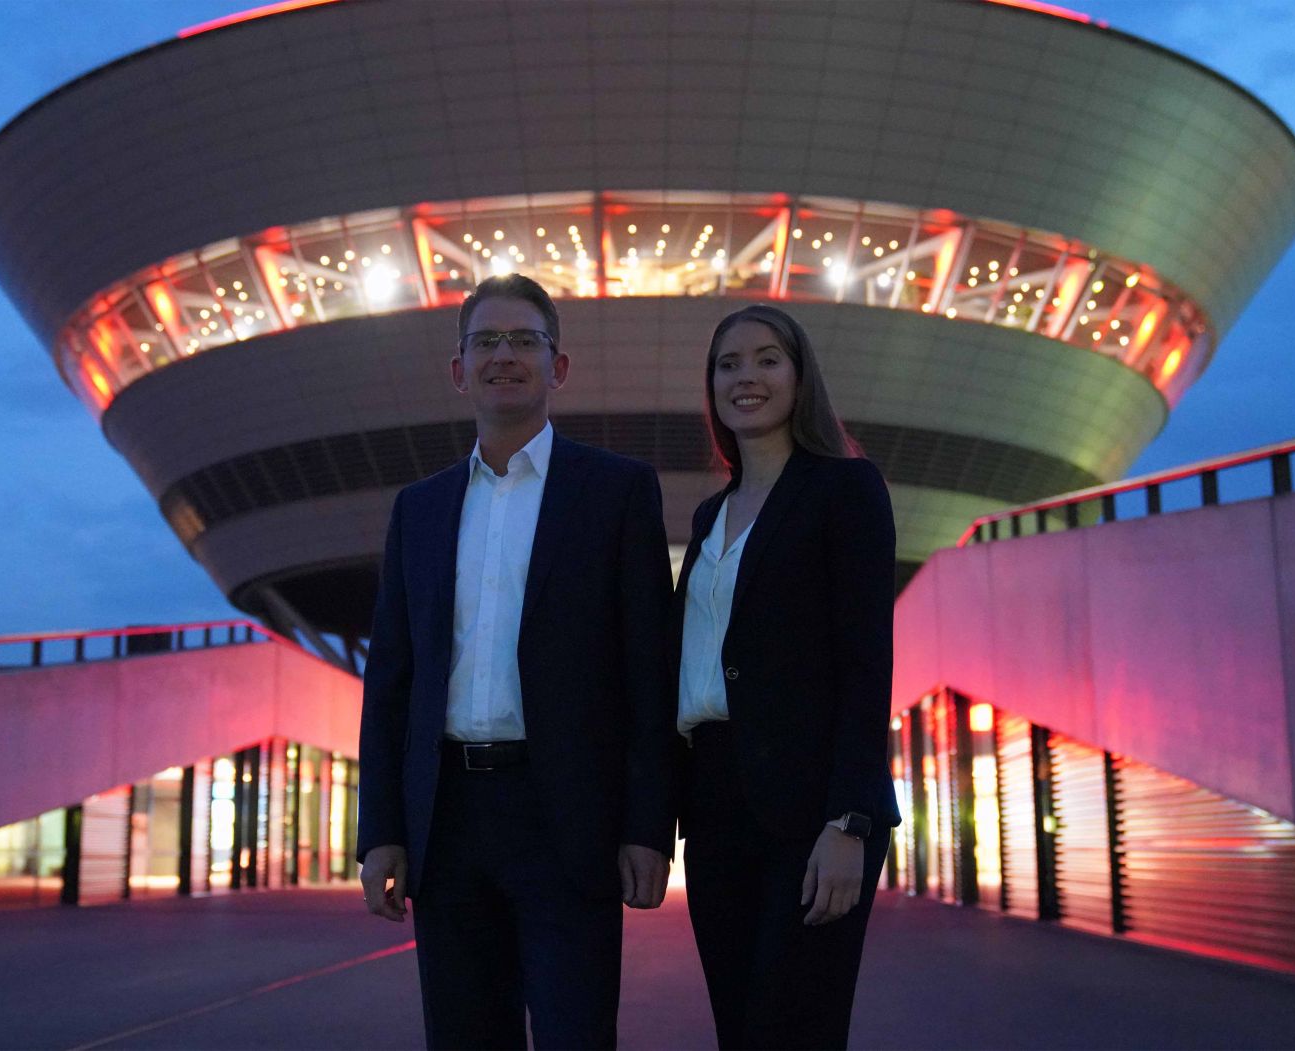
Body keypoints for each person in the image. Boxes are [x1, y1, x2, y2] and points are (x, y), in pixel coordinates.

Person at [356, 274, 676, 1049]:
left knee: (576, 1032)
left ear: (557, 366)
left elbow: (648, 670)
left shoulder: (618, 493)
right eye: (486, 341)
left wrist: (648, 827)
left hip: (568, 816)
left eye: (524, 340)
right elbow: (392, 679)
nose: (505, 356)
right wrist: (381, 829)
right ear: (459, 368)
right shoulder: (420, 508)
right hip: (449, 819)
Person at [671, 304, 900, 1050]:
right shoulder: (709, 518)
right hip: (714, 807)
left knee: (793, 1028)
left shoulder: (846, 490)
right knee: (740, 1031)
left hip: (812, 812)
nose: (747, 377)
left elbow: (866, 666)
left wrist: (851, 819)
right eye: (728, 363)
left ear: (801, 377)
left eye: (768, 359)